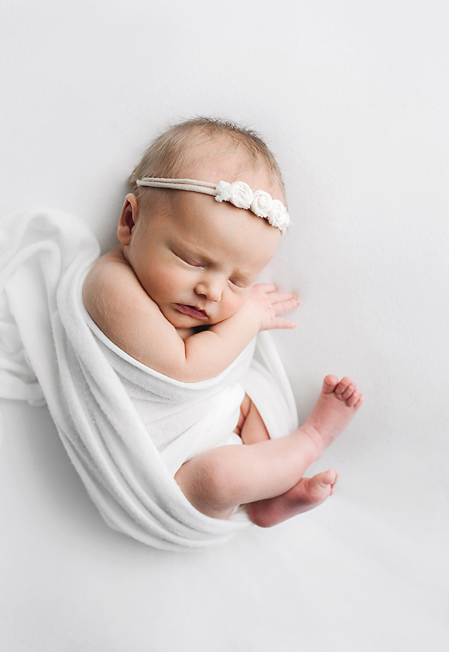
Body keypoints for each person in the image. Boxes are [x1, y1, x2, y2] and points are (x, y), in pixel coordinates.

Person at [82, 118, 362, 527]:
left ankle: (268, 497)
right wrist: (247, 316)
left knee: (256, 402)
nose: (211, 292)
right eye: (193, 261)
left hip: (216, 413)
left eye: (238, 281)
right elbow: (184, 368)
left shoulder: (192, 296)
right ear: (130, 221)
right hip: (172, 473)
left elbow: (216, 377)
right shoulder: (110, 284)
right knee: (217, 479)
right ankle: (313, 439)